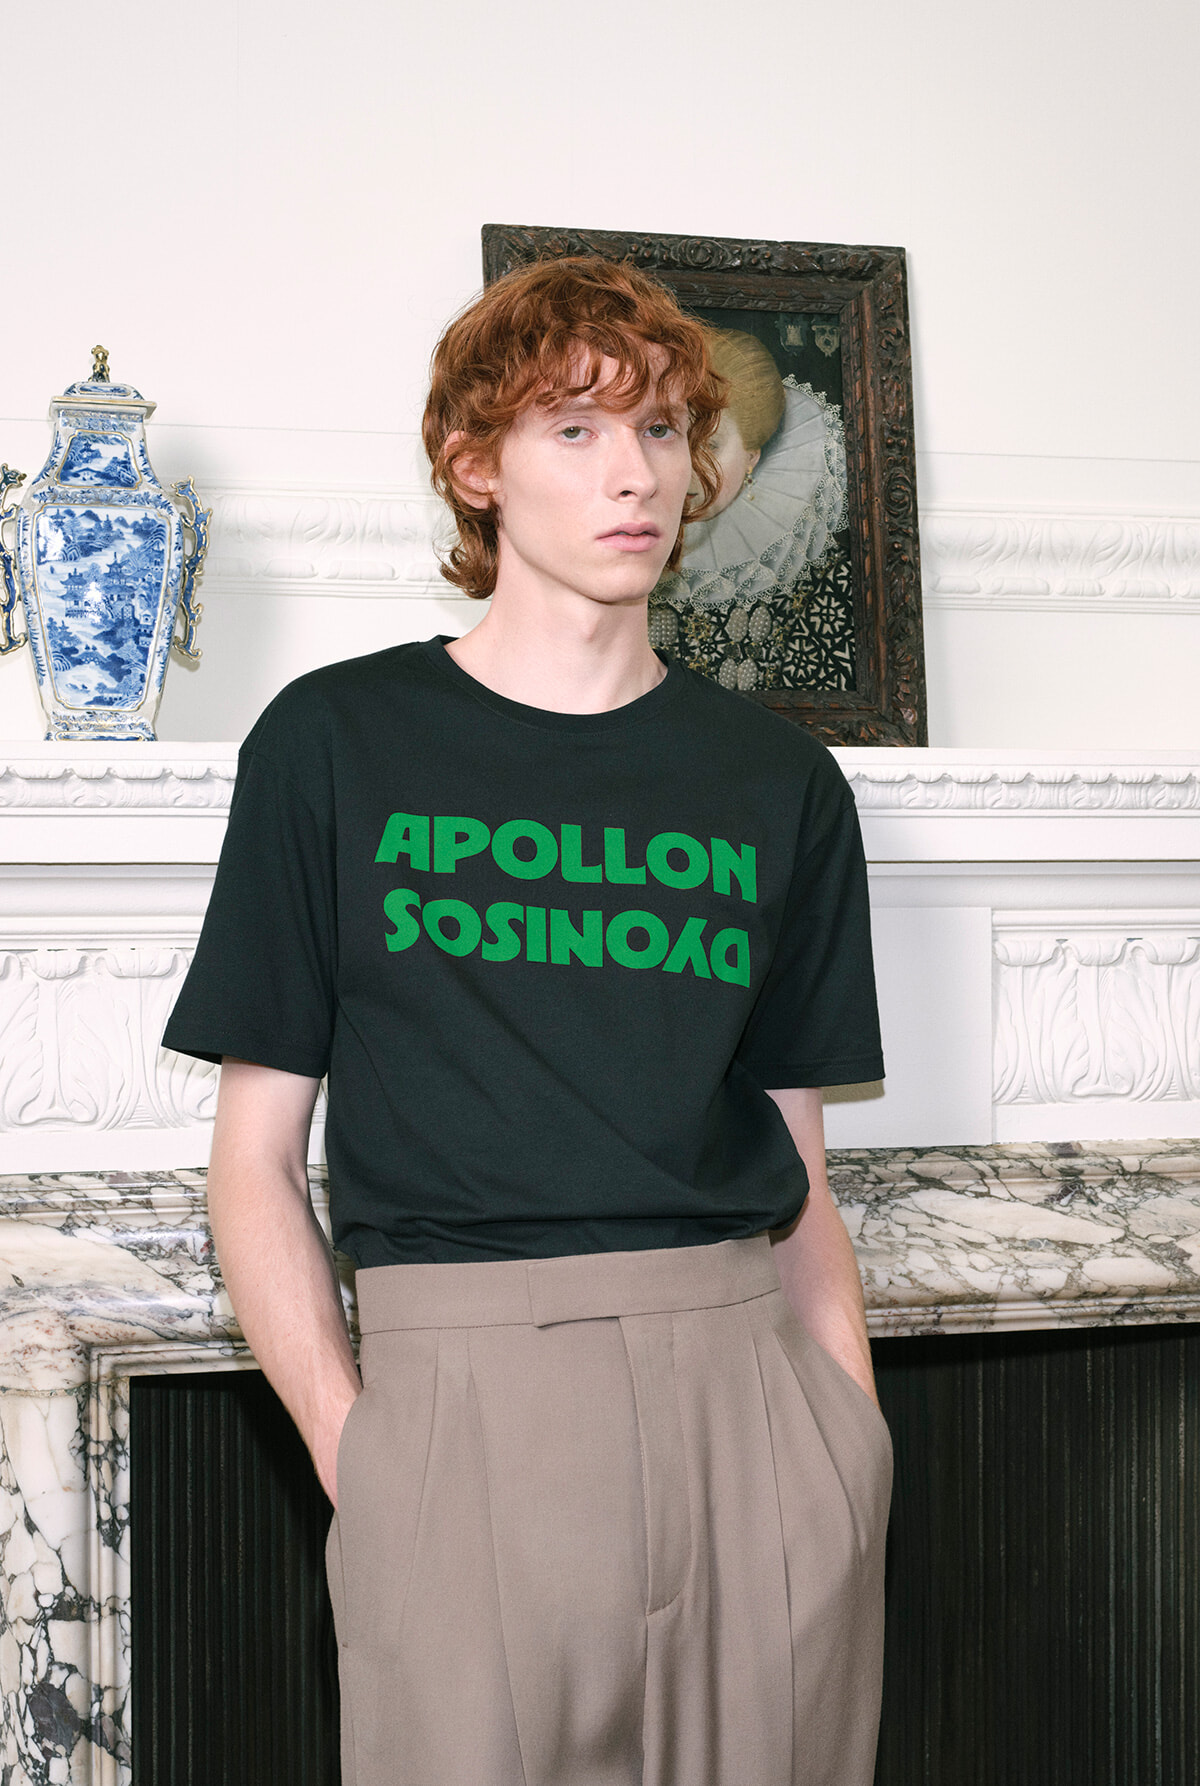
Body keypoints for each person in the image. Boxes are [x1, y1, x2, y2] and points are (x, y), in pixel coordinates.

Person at [163, 255, 891, 1786]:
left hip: (752, 1402)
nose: (636, 473)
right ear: (474, 466)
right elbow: (255, 1161)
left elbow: (802, 1170)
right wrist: (361, 1452)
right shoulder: (334, 744)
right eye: (576, 429)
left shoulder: (778, 783)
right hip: (464, 1412)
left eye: (664, 428)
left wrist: (850, 1448)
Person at [650, 326, 851, 691]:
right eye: (670, 437)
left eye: (711, 446)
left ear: (751, 457)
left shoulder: (808, 566)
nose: (689, 468)